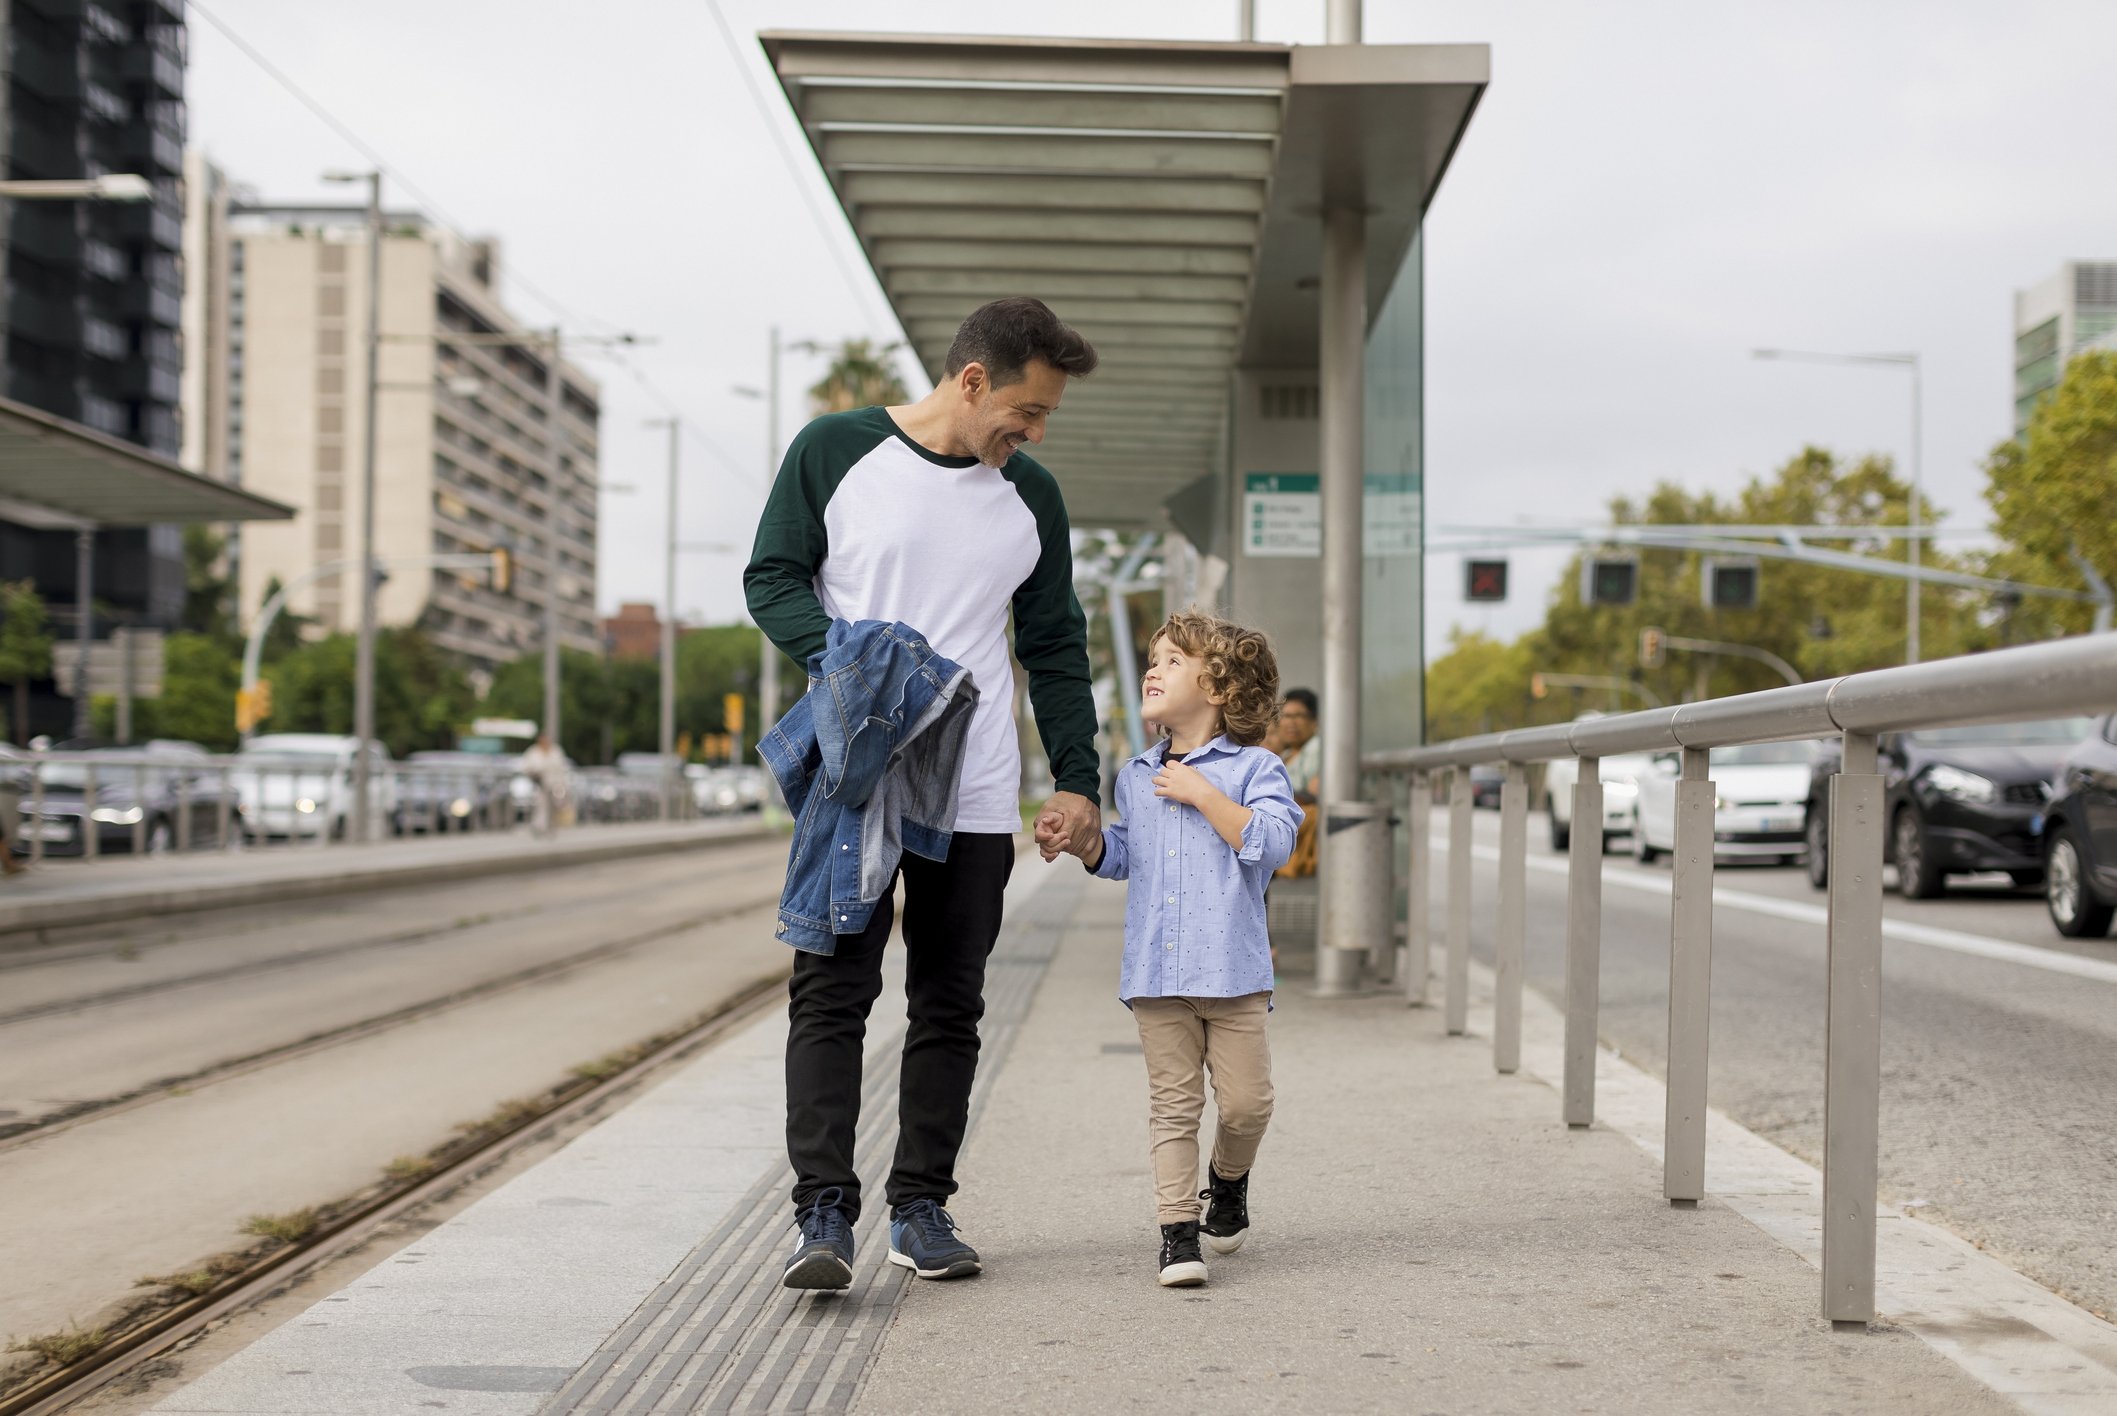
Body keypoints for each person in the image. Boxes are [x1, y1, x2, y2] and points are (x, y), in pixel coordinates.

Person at [745, 297, 1103, 1291]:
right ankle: (821, 1212)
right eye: (1023, 413)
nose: (1029, 436)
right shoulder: (835, 451)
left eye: (1041, 424)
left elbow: (1055, 649)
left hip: (976, 788)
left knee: (949, 1001)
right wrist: (846, 661)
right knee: (830, 994)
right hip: (856, 779)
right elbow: (771, 577)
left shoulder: (1030, 498)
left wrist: (1078, 779)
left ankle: (920, 1207)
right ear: (971, 380)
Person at [1049, 610, 1299, 1287]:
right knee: (1173, 1106)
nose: (1152, 669)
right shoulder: (1134, 774)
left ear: (1217, 688)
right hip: (1156, 972)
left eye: (1170, 660)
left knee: (1248, 1106)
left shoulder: (1255, 768)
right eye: (1152, 659)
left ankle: (1228, 1179)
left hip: (1233, 973)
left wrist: (1203, 793)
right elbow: (1131, 855)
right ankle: (1175, 1234)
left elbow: (1274, 844)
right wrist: (1088, 844)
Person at [1276, 688, 1321, 879]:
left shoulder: (1316, 748)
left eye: (1298, 716)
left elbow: (1312, 794)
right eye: (1285, 716)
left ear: (1314, 721)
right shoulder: (1287, 754)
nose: (1291, 723)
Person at [518, 734, 567, 839]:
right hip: (539, 784)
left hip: (555, 784)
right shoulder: (533, 752)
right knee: (540, 806)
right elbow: (526, 767)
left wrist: (563, 784)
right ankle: (539, 828)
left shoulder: (556, 751)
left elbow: (562, 768)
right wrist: (535, 773)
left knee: (555, 806)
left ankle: (551, 827)